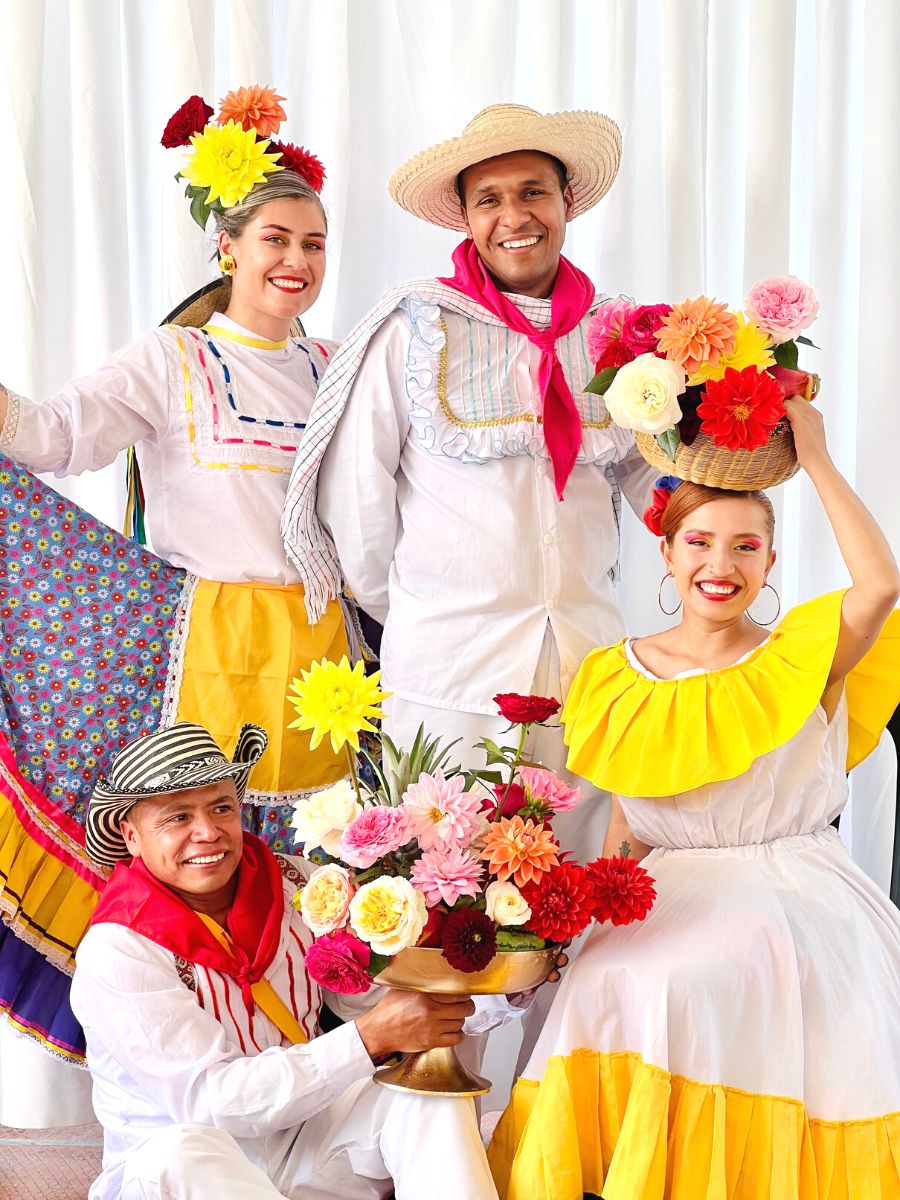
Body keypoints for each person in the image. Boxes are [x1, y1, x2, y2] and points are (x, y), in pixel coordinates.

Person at [0, 89, 348, 1103]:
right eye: (277, 237)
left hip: (334, 656)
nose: (298, 260)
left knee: (329, 864)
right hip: (213, 642)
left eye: (316, 244)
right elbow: (60, 437)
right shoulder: (174, 358)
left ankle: (312, 1104)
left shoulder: (342, 364)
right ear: (228, 247)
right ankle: (202, 1096)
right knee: (209, 853)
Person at [488, 397, 900, 1200]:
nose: (723, 564)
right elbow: (626, 824)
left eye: (748, 546)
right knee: (606, 988)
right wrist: (583, 927)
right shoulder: (614, 672)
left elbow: (881, 584)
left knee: (696, 985)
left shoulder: (803, 658)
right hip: (667, 890)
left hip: (786, 893)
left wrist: (813, 455)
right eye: (701, 543)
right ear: (668, 555)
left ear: (772, 561)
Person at [282, 103, 658, 864]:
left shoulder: (619, 334)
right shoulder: (415, 327)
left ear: (566, 203)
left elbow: (651, 483)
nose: (513, 216)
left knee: (574, 893)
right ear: (464, 216)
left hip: (588, 666)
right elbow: (358, 499)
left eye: (532, 193)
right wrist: (421, 608)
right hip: (450, 674)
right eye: (489, 199)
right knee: (446, 896)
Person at [73, 720, 519, 1200]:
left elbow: (370, 1003)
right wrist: (371, 1037)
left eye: (221, 808)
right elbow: (211, 1104)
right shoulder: (119, 950)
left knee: (428, 1087)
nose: (207, 833)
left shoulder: (297, 885)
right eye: (177, 817)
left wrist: (504, 980)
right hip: (197, 1172)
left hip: (305, 1138)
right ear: (132, 836)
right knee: (177, 1156)